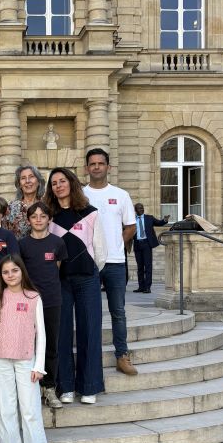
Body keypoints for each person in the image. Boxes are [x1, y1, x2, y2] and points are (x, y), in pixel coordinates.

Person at [0, 255, 50, 443]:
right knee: (6, 409)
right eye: (5, 272)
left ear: (22, 271)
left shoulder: (33, 297)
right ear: (1, 275)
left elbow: (41, 333)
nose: (10, 275)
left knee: (30, 410)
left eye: (14, 271)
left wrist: (39, 365)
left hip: (26, 361)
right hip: (0, 360)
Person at [44, 168, 107, 405]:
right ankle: (66, 386)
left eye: (62, 181)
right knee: (61, 334)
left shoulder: (90, 213)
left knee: (89, 331)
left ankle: (89, 386)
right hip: (60, 281)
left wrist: (91, 269)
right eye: (54, 183)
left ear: (71, 183)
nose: (58, 185)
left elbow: (100, 248)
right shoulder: (48, 216)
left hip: (87, 278)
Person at [83, 148, 138, 376]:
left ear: (108, 167)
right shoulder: (80, 195)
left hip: (115, 262)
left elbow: (131, 226)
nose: (96, 167)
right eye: (92, 164)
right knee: (89, 312)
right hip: (89, 263)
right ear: (86, 168)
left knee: (118, 311)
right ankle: (90, 357)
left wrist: (116, 244)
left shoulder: (121, 194)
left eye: (100, 163)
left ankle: (122, 356)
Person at [18, 201, 67, 410]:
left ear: (49, 219)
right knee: (29, 344)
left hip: (52, 300)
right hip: (29, 302)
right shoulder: (22, 245)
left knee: (51, 344)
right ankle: (32, 387)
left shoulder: (58, 243)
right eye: (34, 216)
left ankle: (49, 387)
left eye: (43, 216)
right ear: (28, 220)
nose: (38, 219)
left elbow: (57, 269)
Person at [133, 203, 169, 293]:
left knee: (148, 266)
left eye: (142, 208)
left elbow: (159, 223)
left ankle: (148, 287)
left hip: (146, 244)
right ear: (135, 210)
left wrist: (164, 220)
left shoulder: (149, 218)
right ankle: (141, 286)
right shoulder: (132, 220)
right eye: (139, 208)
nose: (142, 209)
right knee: (140, 267)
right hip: (137, 244)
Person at [4, 164, 46, 239]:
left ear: (38, 181)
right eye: (23, 178)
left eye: (31, 177)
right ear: (19, 184)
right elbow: (5, 236)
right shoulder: (11, 208)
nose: (27, 181)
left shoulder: (47, 205)